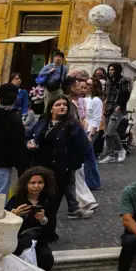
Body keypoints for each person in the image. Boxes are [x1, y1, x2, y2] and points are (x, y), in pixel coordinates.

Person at [27, 94, 89, 229]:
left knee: (53, 202)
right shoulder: (43, 122)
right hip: (40, 167)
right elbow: (28, 136)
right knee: (39, 199)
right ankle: (36, 229)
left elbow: (82, 147)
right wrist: (29, 144)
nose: (62, 107)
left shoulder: (72, 125)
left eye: (64, 105)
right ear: (51, 109)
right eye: (58, 105)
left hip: (60, 169)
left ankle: (49, 231)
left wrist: (71, 166)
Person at [6, 167, 57, 271]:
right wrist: (14, 215)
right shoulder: (17, 199)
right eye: (32, 183)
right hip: (19, 239)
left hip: (39, 239)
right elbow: (4, 222)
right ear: (26, 184)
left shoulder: (48, 200)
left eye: (40, 182)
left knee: (46, 259)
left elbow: (51, 229)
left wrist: (43, 219)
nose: (36, 186)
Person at [0, 83, 27, 197]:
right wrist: (22, 167)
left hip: (1, 164)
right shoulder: (14, 121)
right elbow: (18, 147)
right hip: (1, 166)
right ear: (15, 99)